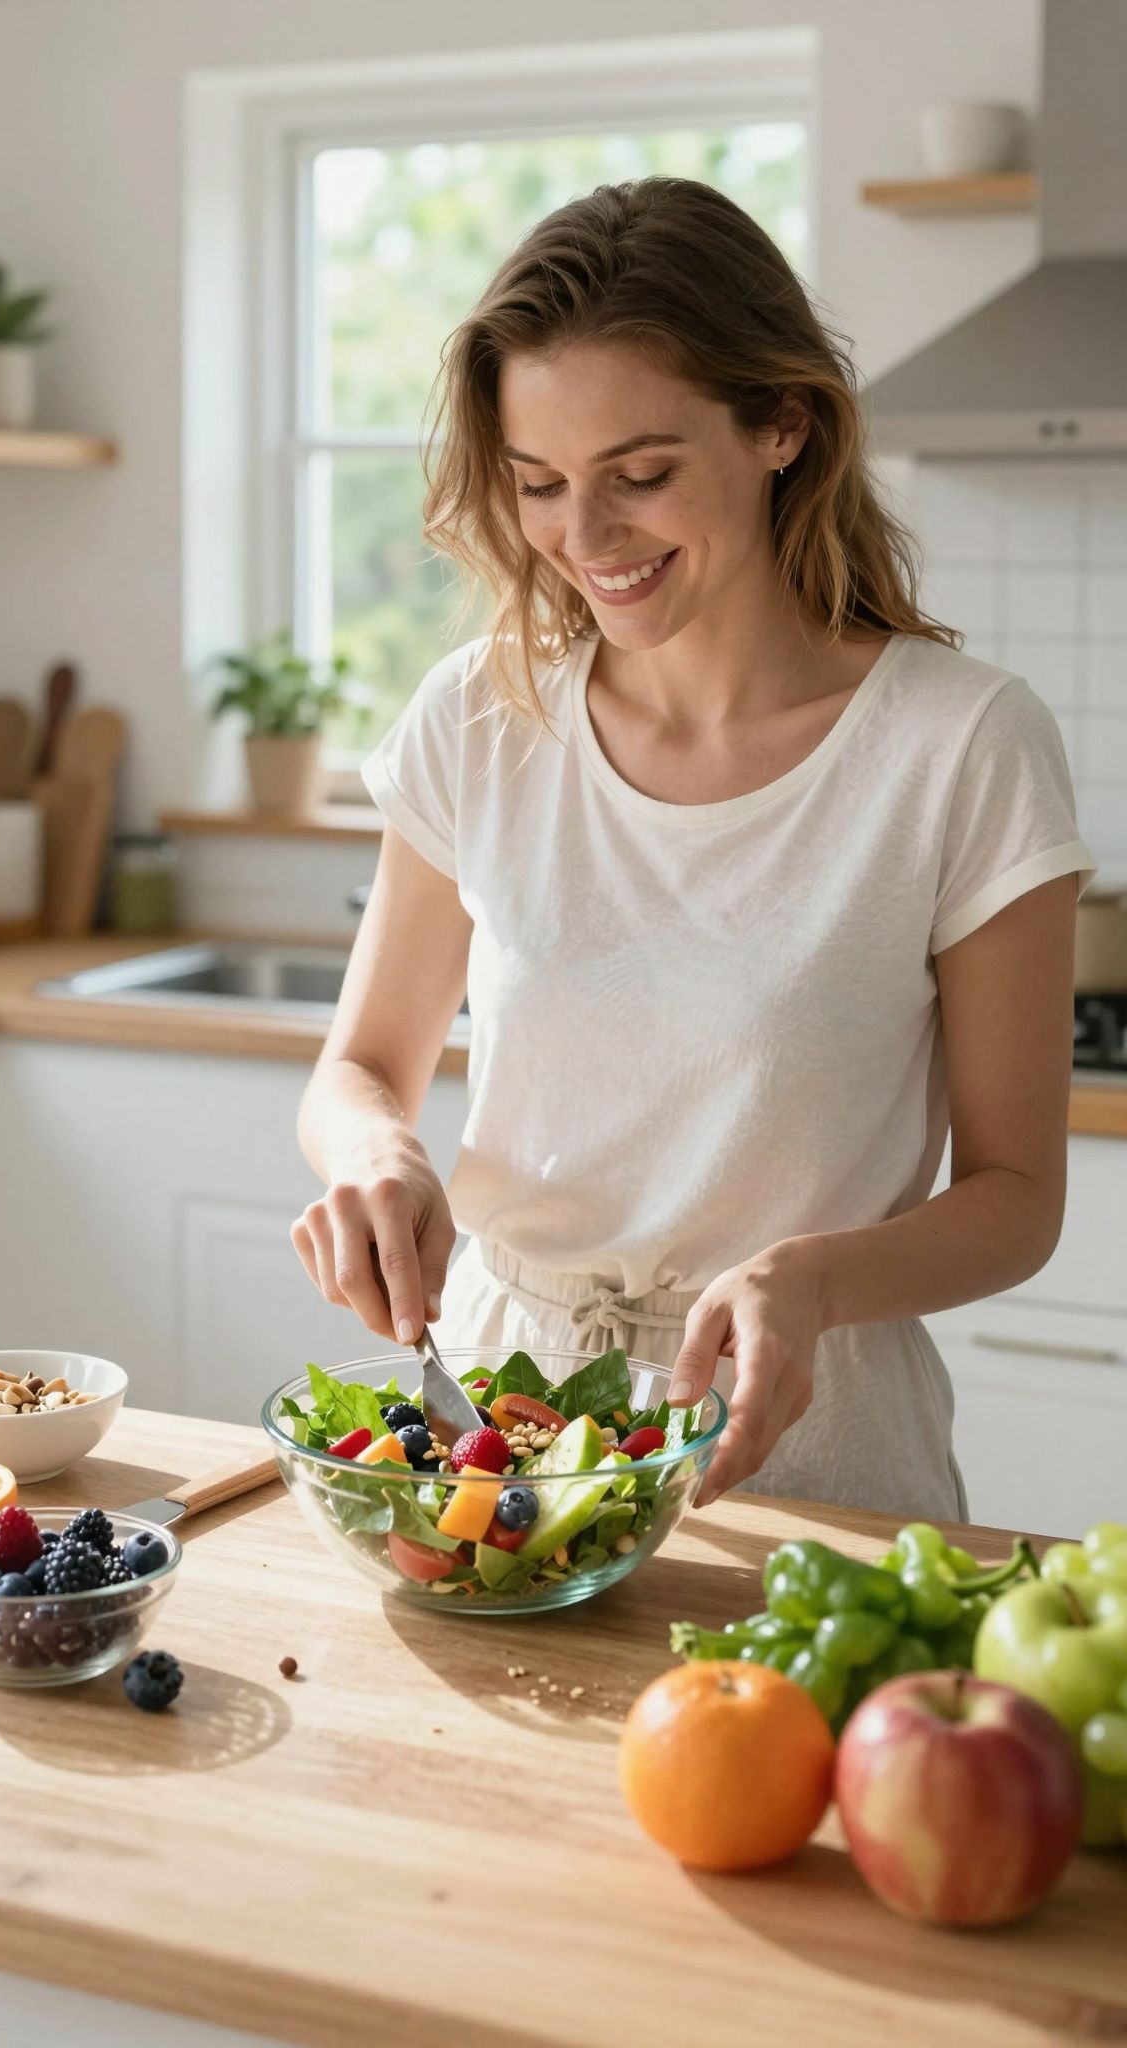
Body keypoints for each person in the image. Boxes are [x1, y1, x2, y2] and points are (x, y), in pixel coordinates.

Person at [292, 178, 1092, 1518]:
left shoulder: (961, 746)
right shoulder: (482, 719)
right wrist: (379, 1157)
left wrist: (813, 1278)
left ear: (782, 423)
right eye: (539, 484)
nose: (584, 540)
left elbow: (1016, 1196)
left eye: (641, 476)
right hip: (497, 1443)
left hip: (802, 1451)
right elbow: (362, 1067)